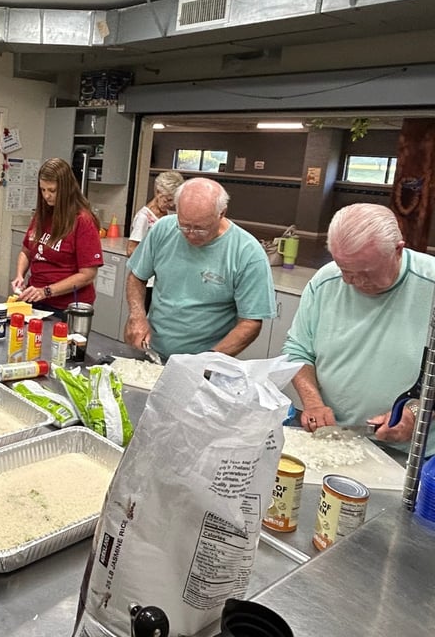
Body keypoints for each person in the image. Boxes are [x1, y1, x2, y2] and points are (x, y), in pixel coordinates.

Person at [282, 203, 435, 453]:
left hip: (415, 453)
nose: (351, 282)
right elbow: (298, 350)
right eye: (345, 270)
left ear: (397, 250)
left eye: (365, 272)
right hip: (335, 438)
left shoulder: (430, 284)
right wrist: (313, 403)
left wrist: (417, 411)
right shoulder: (326, 280)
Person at [125, 177, 276, 359]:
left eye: (200, 228)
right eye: (184, 225)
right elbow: (137, 277)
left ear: (222, 213)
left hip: (204, 362)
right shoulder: (163, 229)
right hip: (151, 350)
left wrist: (207, 360)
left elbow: (251, 322)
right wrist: (137, 316)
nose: (190, 234)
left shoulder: (247, 253)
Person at [11, 157, 103, 311]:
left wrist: (46, 291)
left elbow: (87, 275)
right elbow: (26, 252)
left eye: (52, 190)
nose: (46, 196)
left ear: (65, 189)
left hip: (66, 306)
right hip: (35, 300)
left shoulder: (82, 221)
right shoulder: (42, 215)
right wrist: (20, 275)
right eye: (43, 190)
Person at [127, 170, 185, 312]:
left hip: (165, 279)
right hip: (148, 281)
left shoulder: (168, 215)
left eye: (173, 200)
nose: (171, 204)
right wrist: (156, 261)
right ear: (158, 192)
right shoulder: (144, 217)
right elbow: (131, 250)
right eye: (168, 199)